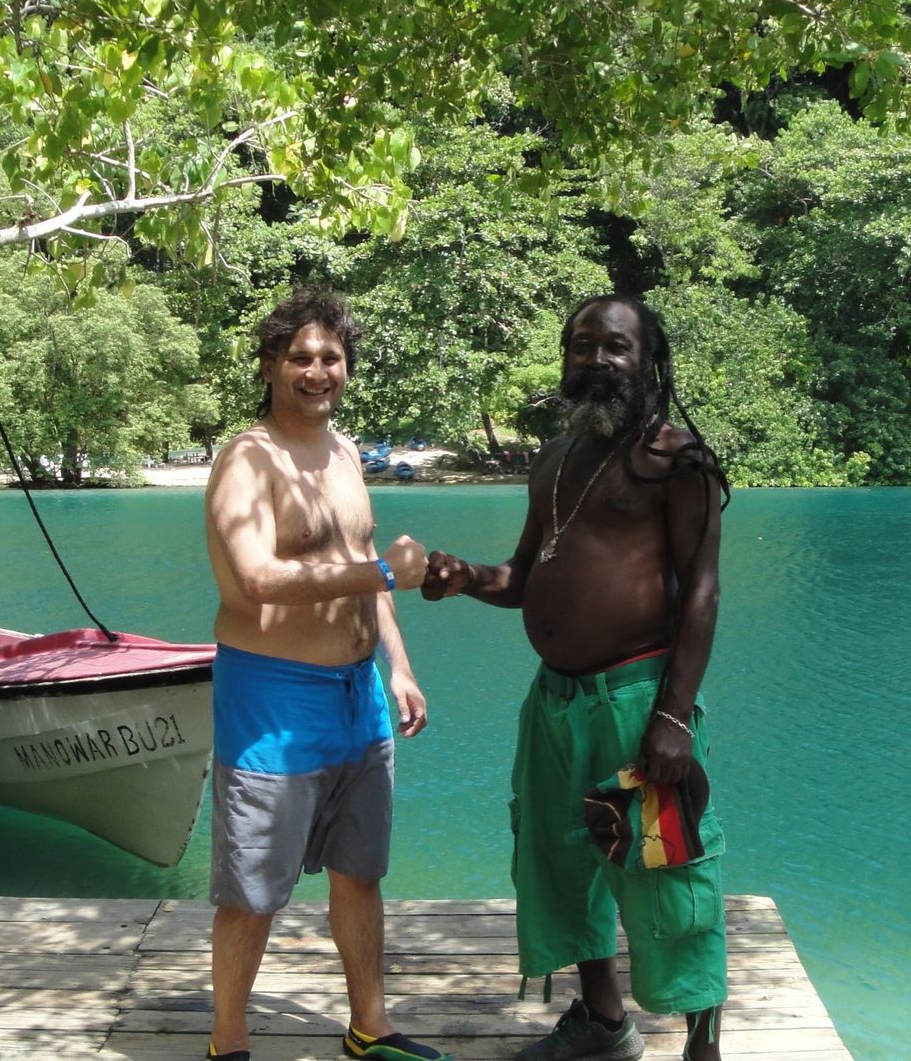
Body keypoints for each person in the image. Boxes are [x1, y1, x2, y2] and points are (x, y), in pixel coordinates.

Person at [423, 295, 731, 1061]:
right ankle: (602, 1021)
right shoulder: (556, 458)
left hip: (635, 700)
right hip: (555, 703)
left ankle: (702, 1043)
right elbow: (524, 576)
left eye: (615, 347)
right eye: (582, 345)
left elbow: (702, 590)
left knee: (667, 867)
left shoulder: (675, 458)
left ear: (648, 360)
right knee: (562, 854)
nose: (595, 360)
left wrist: (675, 717)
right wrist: (464, 577)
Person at [202, 287, 450, 1061]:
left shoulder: (345, 454)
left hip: (359, 697)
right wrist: (380, 567)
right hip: (272, 698)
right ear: (272, 364)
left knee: (359, 870)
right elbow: (254, 580)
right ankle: (229, 1044)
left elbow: (368, 583)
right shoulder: (249, 459)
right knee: (252, 893)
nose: (317, 371)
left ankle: (369, 1027)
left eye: (331, 358)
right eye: (300, 357)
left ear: (347, 368)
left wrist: (399, 668)